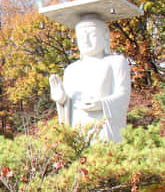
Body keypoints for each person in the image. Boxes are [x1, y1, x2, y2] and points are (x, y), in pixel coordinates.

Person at [48, 13, 130, 143]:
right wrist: (62, 100)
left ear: (105, 36)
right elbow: (69, 109)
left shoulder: (116, 62)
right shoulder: (71, 70)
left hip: (104, 128)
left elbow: (123, 95)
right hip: (79, 128)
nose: (85, 40)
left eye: (92, 35)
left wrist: (102, 104)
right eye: (81, 36)